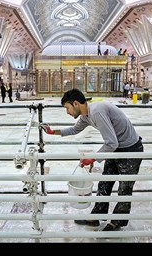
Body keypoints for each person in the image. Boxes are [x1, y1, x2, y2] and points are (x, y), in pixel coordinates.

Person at [40, 88, 143, 231]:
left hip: (130, 149)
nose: (67, 112)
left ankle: (117, 222)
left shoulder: (97, 111)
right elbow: (74, 130)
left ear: (75, 103)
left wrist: (92, 158)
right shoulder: (86, 115)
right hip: (115, 149)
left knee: (124, 188)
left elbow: (112, 143)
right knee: (104, 184)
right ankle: (95, 218)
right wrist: (52, 132)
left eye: (67, 108)